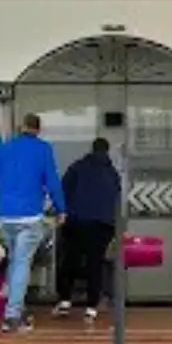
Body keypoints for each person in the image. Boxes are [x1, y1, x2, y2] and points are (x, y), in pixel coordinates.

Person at [0, 112, 67, 333]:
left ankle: (18, 309)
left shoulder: (4, 149)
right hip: (29, 215)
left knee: (15, 262)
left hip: (5, 214)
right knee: (22, 263)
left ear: (20, 127)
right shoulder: (43, 149)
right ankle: (12, 316)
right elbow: (52, 181)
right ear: (38, 129)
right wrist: (61, 209)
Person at [53, 137, 122, 324]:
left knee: (69, 260)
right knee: (95, 265)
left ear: (92, 149)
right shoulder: (113, 173)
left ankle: (65, 301)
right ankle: (91, 308)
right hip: (102, 225)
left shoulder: (77, 167)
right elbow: (116, 201)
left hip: (77, 221)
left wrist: (61, 212)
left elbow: (63, 190)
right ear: (107, 152)